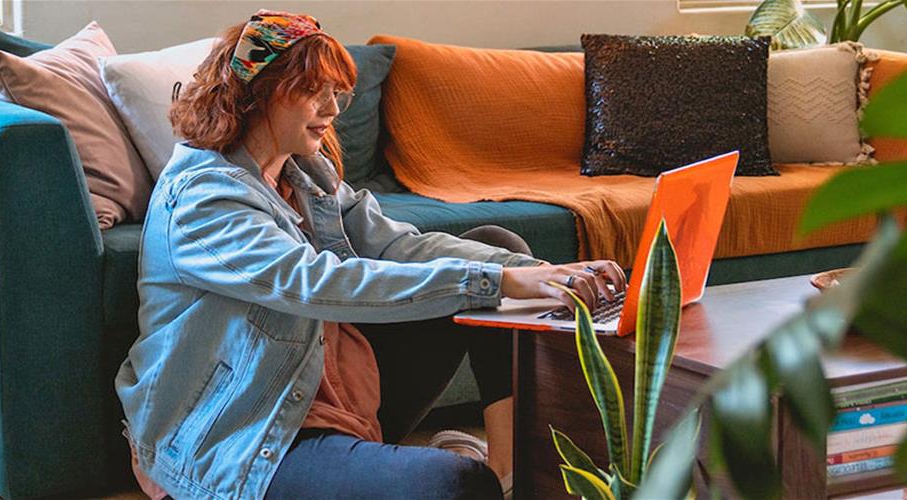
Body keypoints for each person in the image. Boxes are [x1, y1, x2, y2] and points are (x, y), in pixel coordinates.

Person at [114, 10, 625, 499]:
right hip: (245, 435)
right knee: (456, 486)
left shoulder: (304, 173)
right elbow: (316, 282)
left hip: (329, 387)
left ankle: (509, 469)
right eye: (316, 93)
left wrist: (537, 272)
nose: (334, 110)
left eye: (336, 93)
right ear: (261, 94)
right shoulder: (204, 199)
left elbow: (397, 245)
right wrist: (492, 283)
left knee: (498, 248)